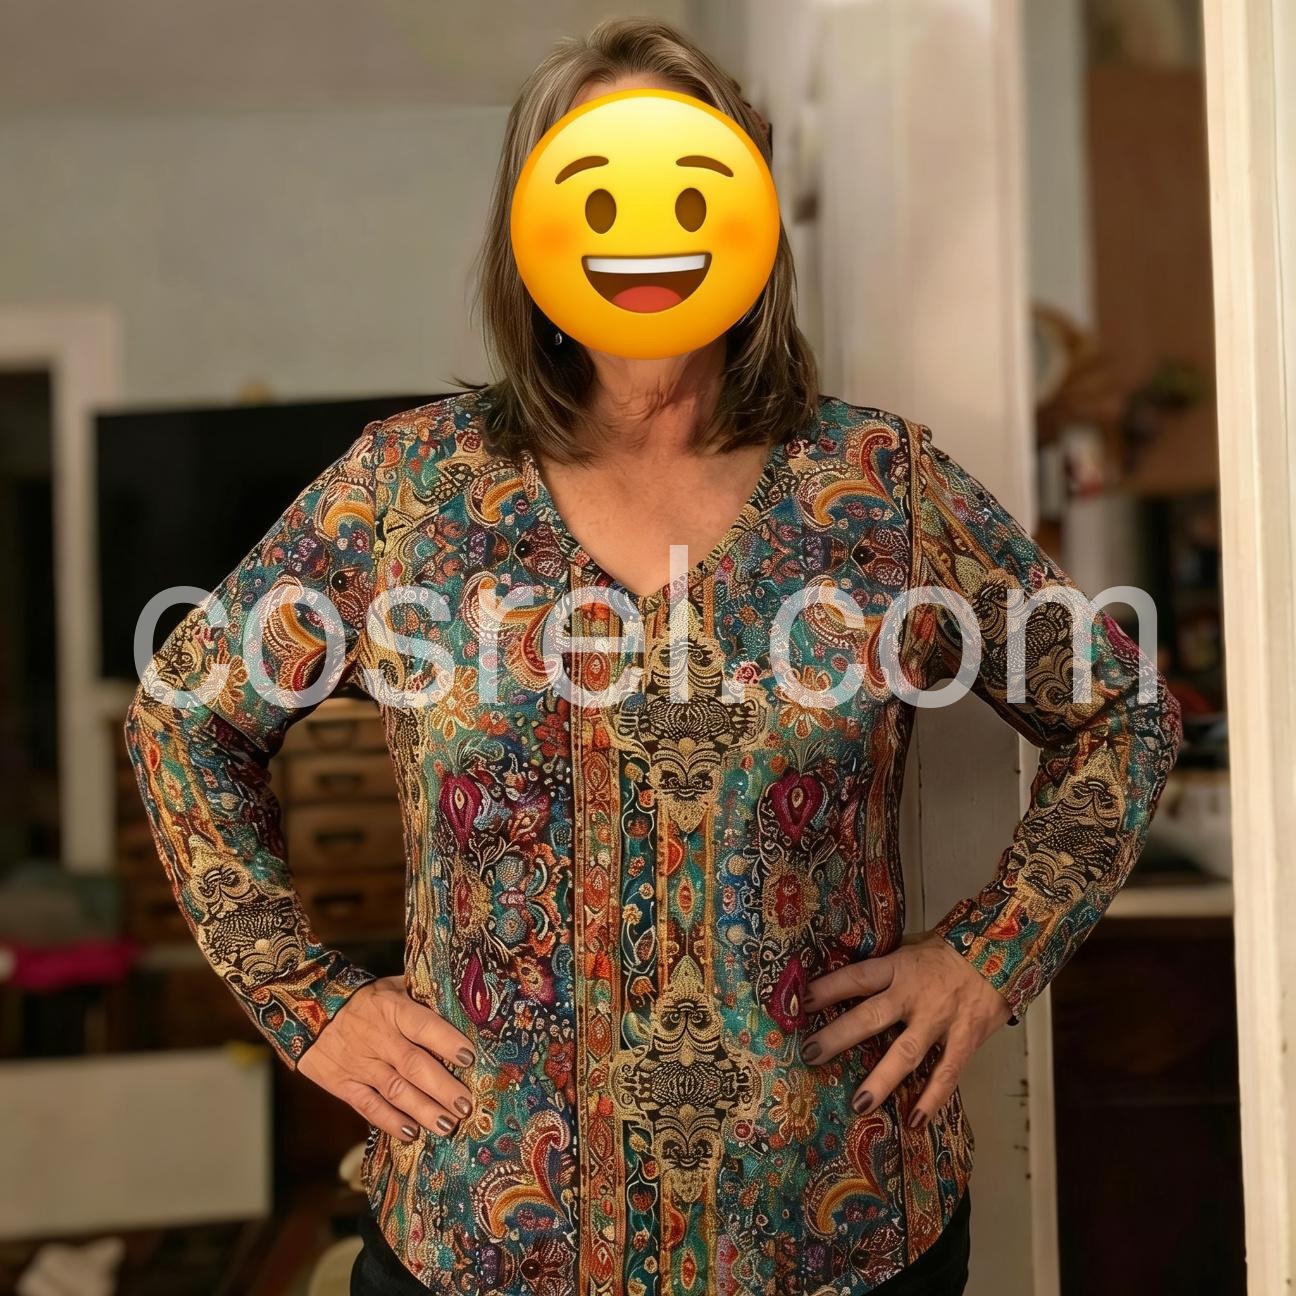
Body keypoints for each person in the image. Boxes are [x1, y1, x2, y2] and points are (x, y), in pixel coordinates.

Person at [124, 17, 1183, 1296]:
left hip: (835, 1225)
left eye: (687, 184)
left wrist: (989, 957)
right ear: (531, 231)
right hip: (481, 1237)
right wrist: (305, 1000)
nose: (643, 228)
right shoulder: (405, 491)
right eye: (596, 186)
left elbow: (1123, 713)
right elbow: (185, 713)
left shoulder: (883, 489)